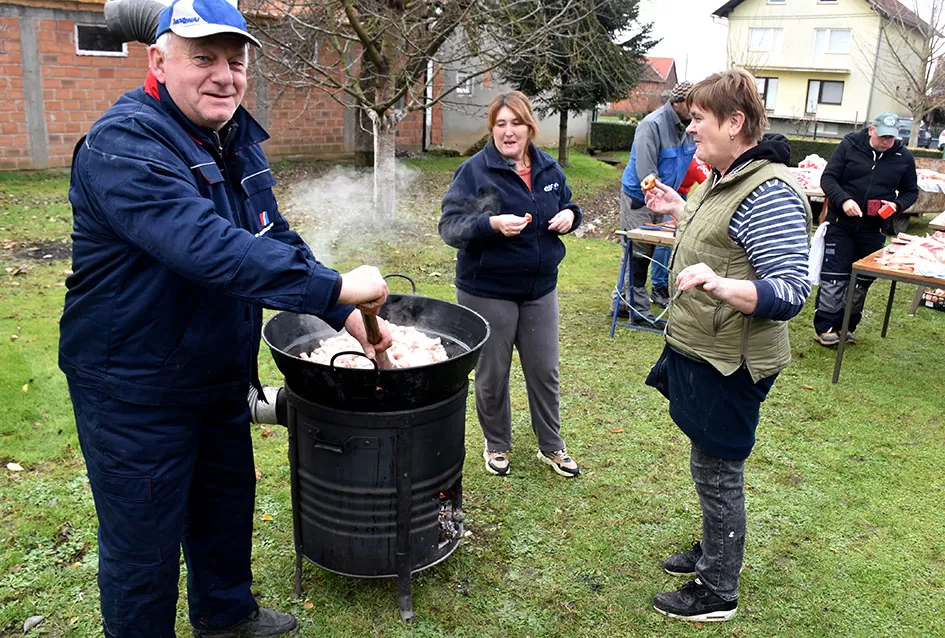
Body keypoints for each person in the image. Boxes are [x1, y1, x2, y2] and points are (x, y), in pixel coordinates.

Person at [60, 0, 393, 636]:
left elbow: (270, 232)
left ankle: (225, 615)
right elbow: (208, 249)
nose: (224, 75)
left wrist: (339, 309)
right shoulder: (125, 144)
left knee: (223, 505)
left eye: (235, 62)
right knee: (143, 543)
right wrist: (337, 284)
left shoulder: (234, 137)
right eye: (203, 58)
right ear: (159, 60)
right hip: (134, 384)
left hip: (213, 371)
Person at [642, 69, 812, 623]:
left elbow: (790, 290)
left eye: (698, 120)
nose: (690, 130)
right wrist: (679, 209)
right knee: (705, 461)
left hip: (732, 361)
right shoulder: (727, 177)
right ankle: (714, 545)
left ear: (734, 122)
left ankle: (718, 589)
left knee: (718, 469)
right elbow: (721, 235)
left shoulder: (768, 191)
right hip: (704, 349)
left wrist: (721, 285)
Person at [439, 91, 582, 478]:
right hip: (487, 290)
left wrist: (571, 214)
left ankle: (551, 446)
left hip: (539, 289)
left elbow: (568, 203)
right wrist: (491, 225)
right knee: (492, 372)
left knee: (544, 369)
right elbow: (450, 227)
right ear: (492, 130)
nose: (508, 131)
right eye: (500, 124)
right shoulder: (474, 171)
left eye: (515, 123)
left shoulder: (548, 169)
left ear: (529, 127)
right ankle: (497, 444)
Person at [813, 112, 918, 346]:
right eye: (882, 136)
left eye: (891, 137)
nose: (886, 141)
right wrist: (844, 200)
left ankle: (847, 326)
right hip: (841, 224)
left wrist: (896, 205)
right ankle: (825, 327)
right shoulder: (849, 146)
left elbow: (912, 191)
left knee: (861, 280)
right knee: (835, 277)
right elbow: (828, 179)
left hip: (874, 229)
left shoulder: (903, 156)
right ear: (871, 130)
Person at [613, 81, 696, 327]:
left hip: (664, 199)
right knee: (637, 252)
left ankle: (619, 303)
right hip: (641, 198)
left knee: (644, 251)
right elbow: (647, 174)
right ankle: (639, 313)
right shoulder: (652, 125)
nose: (697, 111)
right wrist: (664, 200)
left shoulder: (688, 127)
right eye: (693, 105)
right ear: (678, 103)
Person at [649, 157, 712, 306]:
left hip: (681, 191)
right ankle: (658, 286)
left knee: (677, 238)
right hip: (669, 192)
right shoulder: (697, 160)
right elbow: (709, 185)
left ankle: (668, 280)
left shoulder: (712, 159)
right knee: (664, 239)